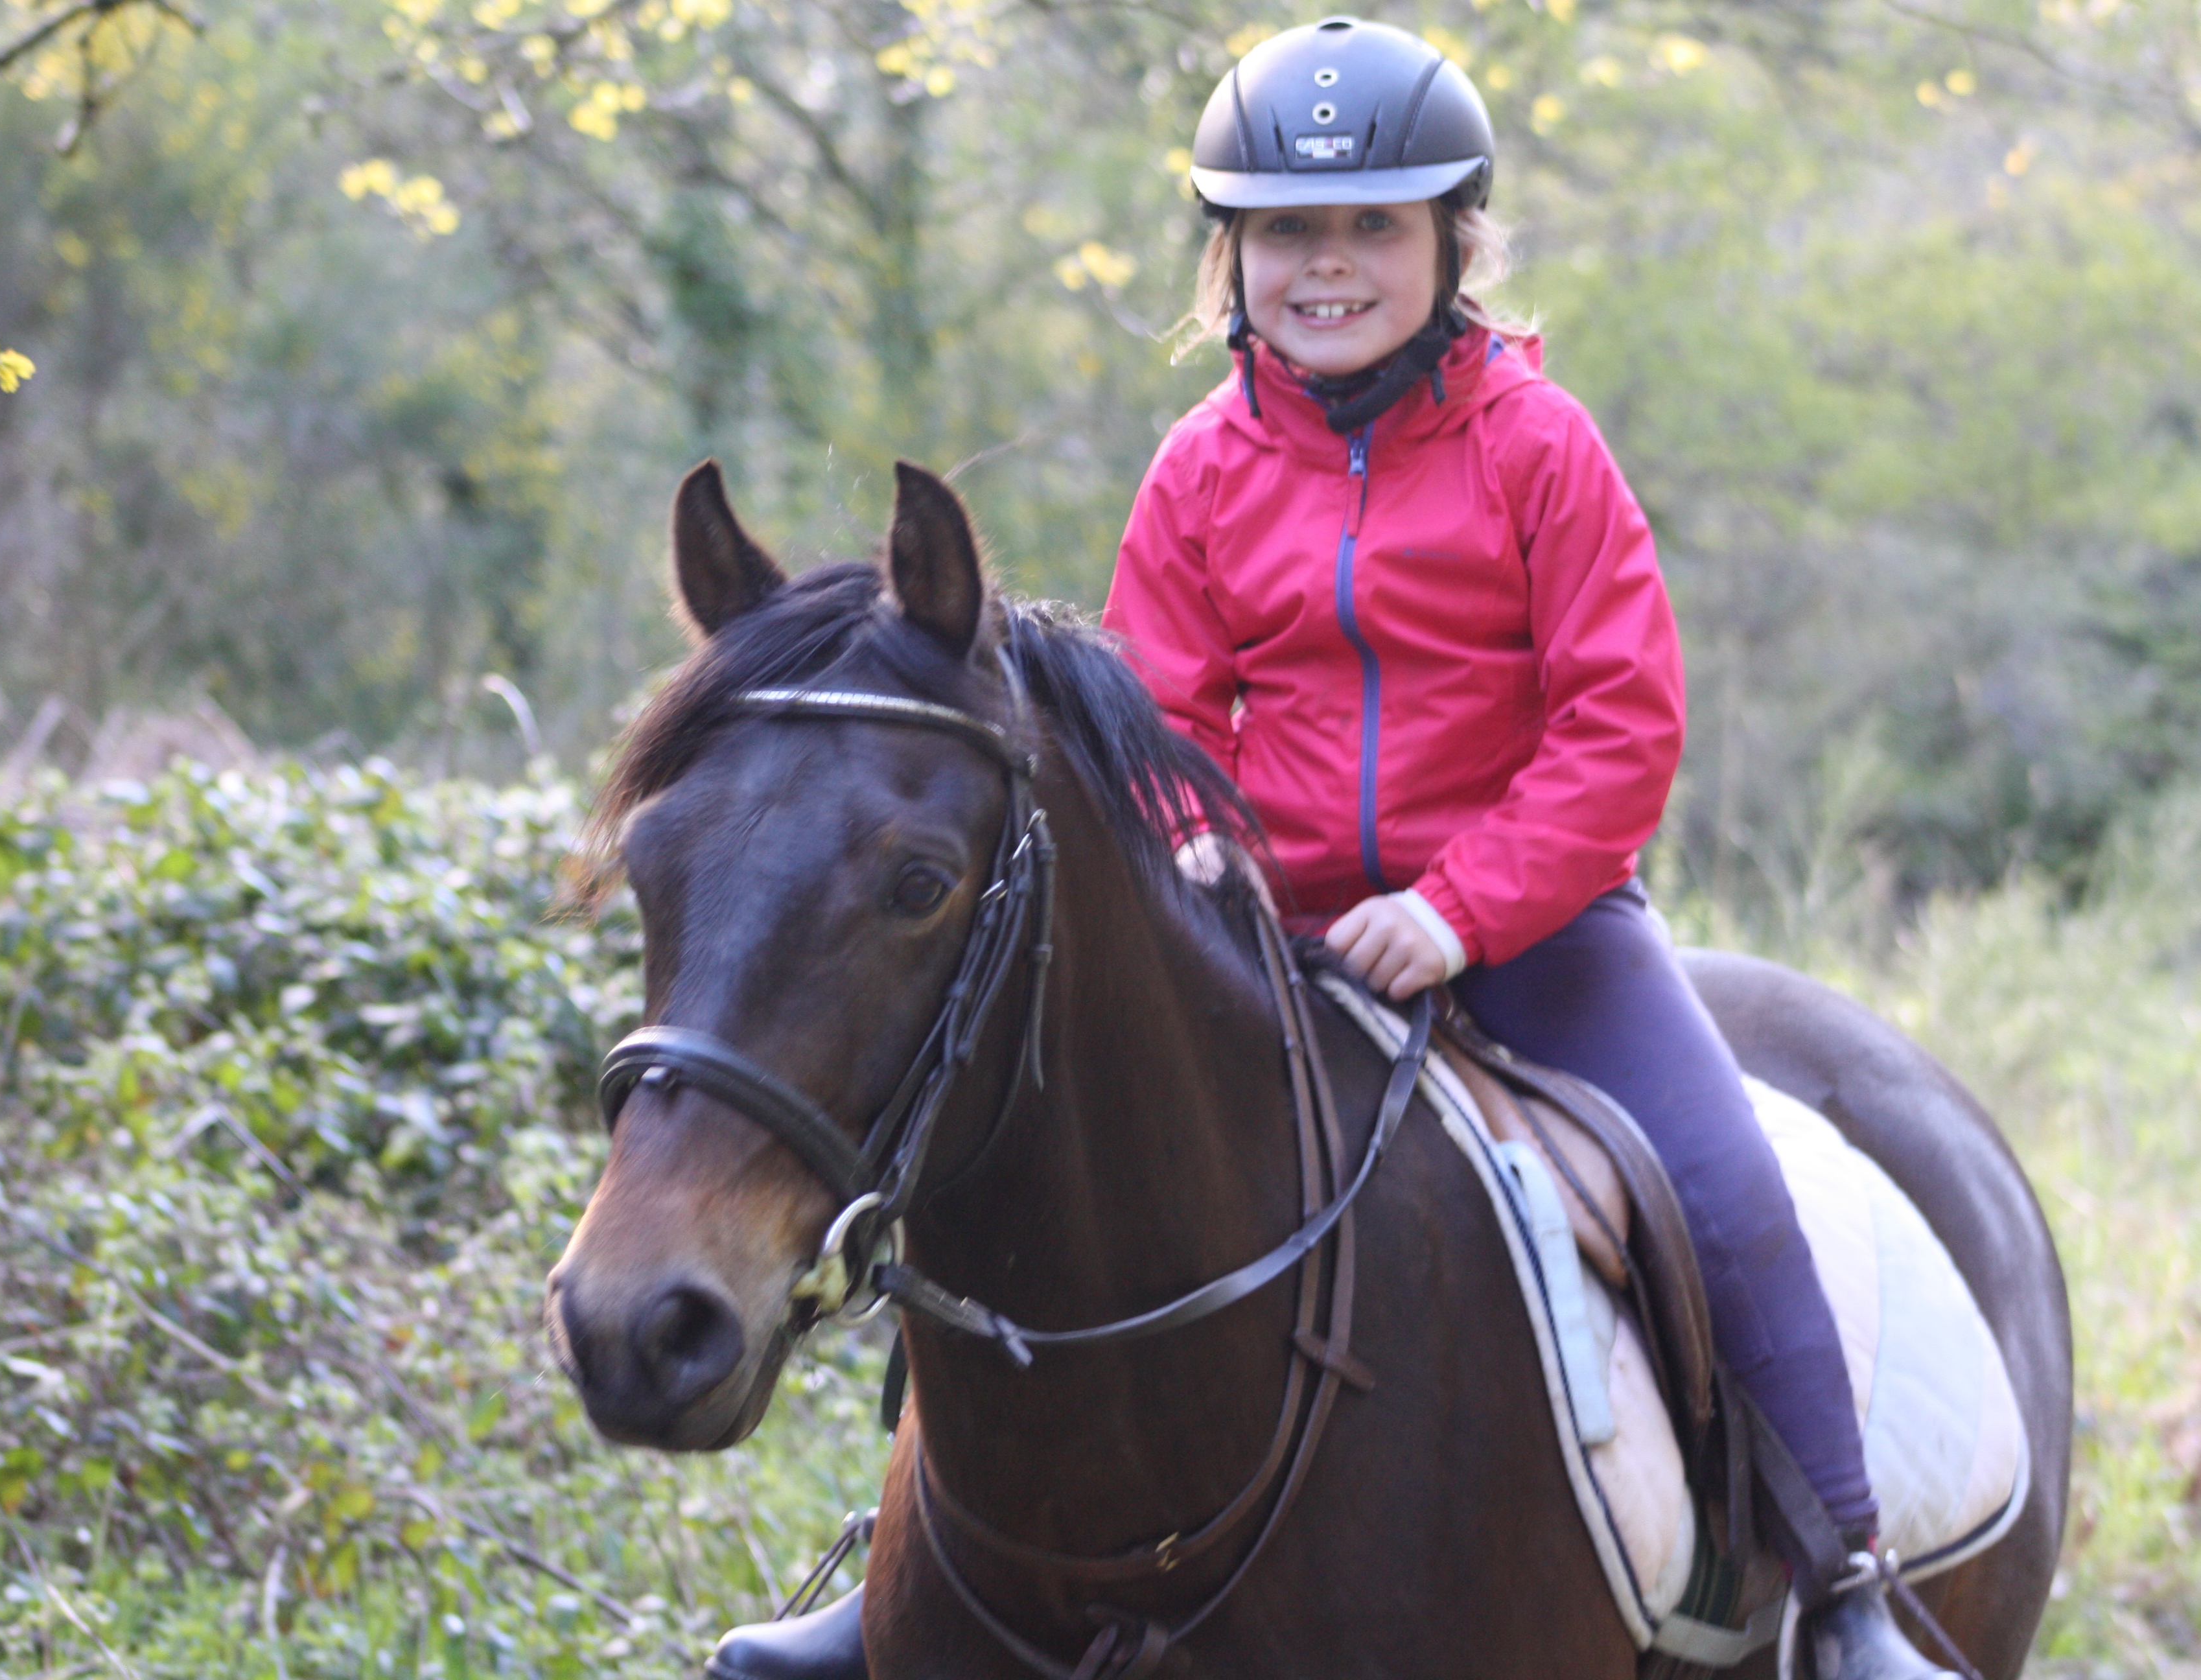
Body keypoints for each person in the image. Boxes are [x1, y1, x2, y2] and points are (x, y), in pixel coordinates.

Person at [710, 19, 1948, 1680]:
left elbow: (1619, 727)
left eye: (1376, 226)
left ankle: (1848, 1584)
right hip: (1264, 936)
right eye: (1292, 230)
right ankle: (897, 1575)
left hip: (1539, 931)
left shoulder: (1539, 449)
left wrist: (1458, 910)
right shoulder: (1201, 471)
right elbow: (1165, 724)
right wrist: (1199, 857)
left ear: (1456, 242)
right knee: (1014, 1165)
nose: (1331, 265)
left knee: (1718, 1181)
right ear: (1234, 255)